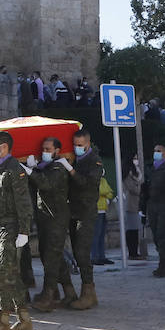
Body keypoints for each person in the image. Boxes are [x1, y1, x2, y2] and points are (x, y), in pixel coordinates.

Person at [0, 130, 34, 330]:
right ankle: (24, 320)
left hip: (11, 228)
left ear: (3, 147)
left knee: (2, 272)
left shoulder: (14, 169)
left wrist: (24, 231)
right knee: (10, 273)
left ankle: (3, 320)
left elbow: (23, 202)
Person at [29, 137, 75, 311]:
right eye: (43, 149)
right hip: (45, 217)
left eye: (48, 149)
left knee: (52, 256)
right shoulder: (46, 167)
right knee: (49, 254)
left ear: (57, 151)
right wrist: (35, 168)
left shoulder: (58, 167)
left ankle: (49, 295)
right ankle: (69, 292)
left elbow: (46, 184)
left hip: (57, 218)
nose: (45, 152)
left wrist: (30, 171)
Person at [62, 129, 101, 309]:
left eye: (80, 145)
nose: (77, 148)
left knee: (82, 251)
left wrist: (70, 170)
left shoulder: (95, 161)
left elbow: (87, 183)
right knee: (77, 253)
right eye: (75, 145)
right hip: (73, 210)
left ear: (88, 143)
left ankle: (89, 292)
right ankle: (81, 292)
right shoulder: (75, 159)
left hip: (86, 211)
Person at [141, 144, 165, 276]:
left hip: (164, 205)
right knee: (156, 235)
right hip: (152, 205)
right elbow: (145, 188)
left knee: (161, 235)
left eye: (159, 151)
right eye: (154, 150)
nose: (155, 153)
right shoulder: (150, 167)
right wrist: (142, 208)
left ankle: (163, 265)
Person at [122, 154, 143, 261]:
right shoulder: (127, 174)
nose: (136, 160)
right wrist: (140, 187)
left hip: (136, 204)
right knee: (131, 230)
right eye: (134, 158)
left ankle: (135, 252)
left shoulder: (136, 172)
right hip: (130, 204)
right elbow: (132, 188)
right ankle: (132, 252)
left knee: (135, 229)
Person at [92, 172, 115, 266]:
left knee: (102, 235)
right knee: (96, 235)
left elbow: (110, 193)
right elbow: (101, 191)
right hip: (96, 210)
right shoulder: (93, 180)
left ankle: (102, 256)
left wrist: (105, 193)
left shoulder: (103, 180)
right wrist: (105, 192)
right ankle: (94, 257)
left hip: (104, 210)